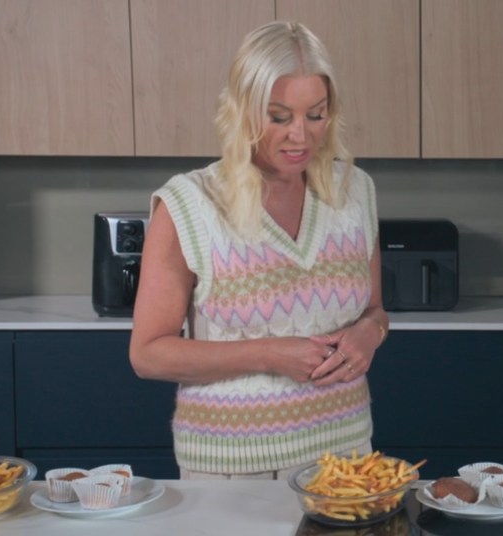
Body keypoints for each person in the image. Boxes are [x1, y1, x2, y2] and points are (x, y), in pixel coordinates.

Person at [129, 20, 388, 479]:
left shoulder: (356, 191)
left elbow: (374, 310)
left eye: (316, 113)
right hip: (232, 471)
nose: (301, 136)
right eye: (279, 116)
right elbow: (148, 354)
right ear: (243, 110)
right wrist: (268, 354)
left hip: (347, 460)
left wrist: (369, 334)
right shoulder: (190, 204)